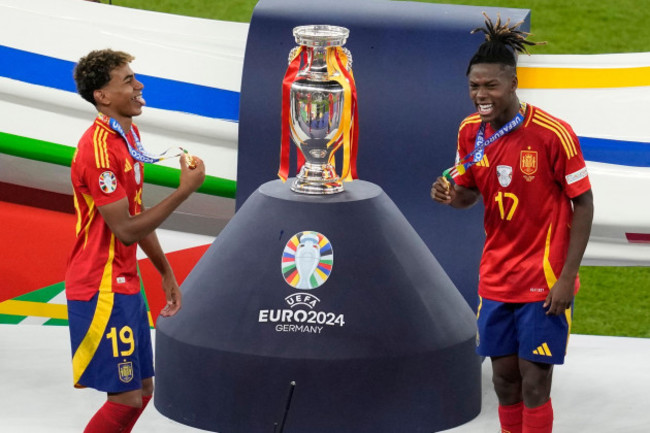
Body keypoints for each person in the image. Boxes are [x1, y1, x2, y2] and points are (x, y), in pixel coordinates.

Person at [430, 14, 593, 433]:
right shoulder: (470, 132)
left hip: (543, 278)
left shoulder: (553, 134)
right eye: (474, 86)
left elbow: (584, 203)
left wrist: (567, 277)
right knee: (504, 381)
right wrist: (451, 196)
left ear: (513, 84)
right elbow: (468, 194)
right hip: (496, 278)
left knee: (535, 381)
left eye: (491, 85)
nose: (480, 95)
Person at [65, 49, 205, 432]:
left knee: (142, 391)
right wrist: (184, 191)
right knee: (125, 398)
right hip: (101, 286)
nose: (138, 85)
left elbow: (136, 216)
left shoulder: (128, 135)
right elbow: (125, 229)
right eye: (127, 80)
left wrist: (165, 272)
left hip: (124, 282)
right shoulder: (98, 151)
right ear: (102, 96)